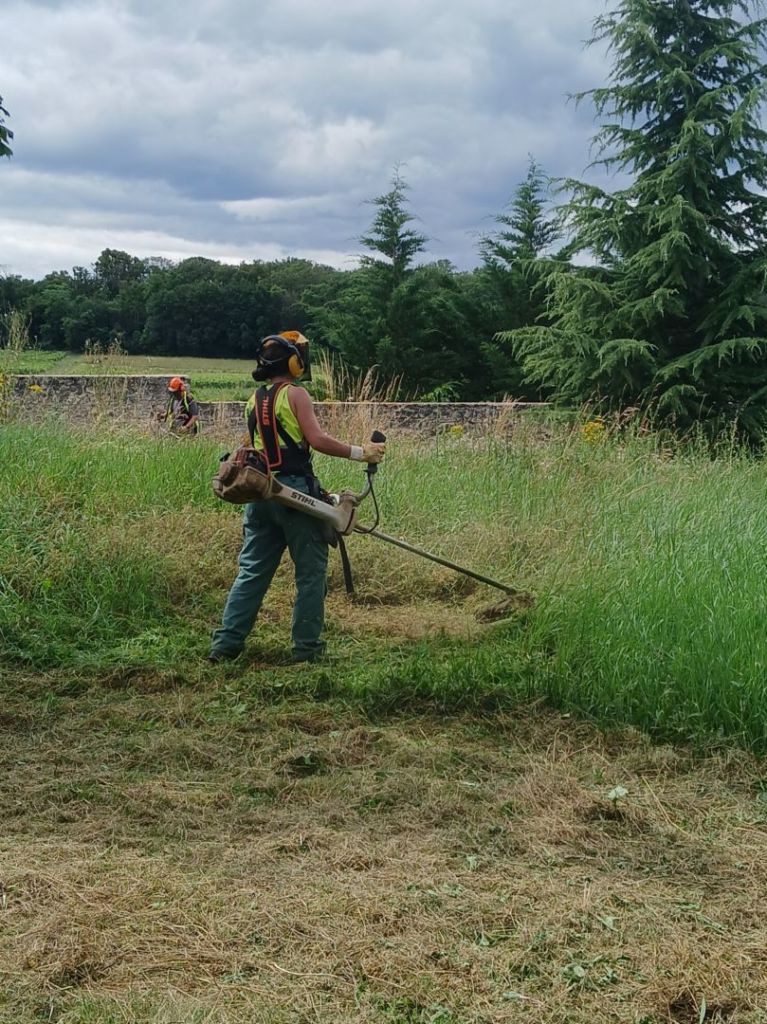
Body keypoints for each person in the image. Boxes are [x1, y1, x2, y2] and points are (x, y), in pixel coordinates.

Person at [209, 331, 385, 664]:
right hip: (296, 495)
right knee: (309, 575)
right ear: (293, 362)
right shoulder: (296, 394)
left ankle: (225, 646)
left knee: (252, 572)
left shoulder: (254, 398)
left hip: (259, 492)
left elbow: (248, 446)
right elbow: (316, 440)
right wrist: (363, 453)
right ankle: (307, 650)